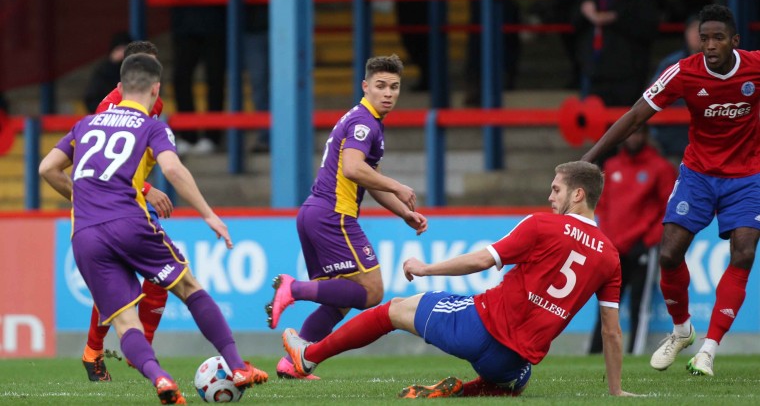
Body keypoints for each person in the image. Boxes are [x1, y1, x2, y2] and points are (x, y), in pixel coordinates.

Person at [280, 162, 635, 398]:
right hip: (512, 360)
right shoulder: (610, 257)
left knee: (395, 309)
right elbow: (611, 331)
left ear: (578, 195)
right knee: (519, 374)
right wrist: (616, 392)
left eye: (556, 190)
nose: (550, 196)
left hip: (477, 327)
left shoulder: (543, 224)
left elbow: (483, 259)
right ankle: (471, 389)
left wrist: (426, 268)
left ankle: (308, 356)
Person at [39, 53, 267, 404]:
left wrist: (83, 198)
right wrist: (208, 214)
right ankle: (237, 366)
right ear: (156, 88)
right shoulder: (151, 125)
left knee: (125, 323)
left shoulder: (85, 124)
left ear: (120, 86)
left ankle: (160, 378)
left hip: (85, 234)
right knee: (189, 287)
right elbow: (173, 170)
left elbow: (47, 169)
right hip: (129, 222)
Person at [581, 4, 760, 377]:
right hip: (698, 174)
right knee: (668, 255)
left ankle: (709, 349)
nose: (709, 45)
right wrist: (589, 159)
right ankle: (682, 330)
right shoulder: (683, 72)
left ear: (735, 41)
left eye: (718, 38)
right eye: (704, 37)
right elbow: (634, 117)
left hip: (747, 176)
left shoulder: (756, 67)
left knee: (743, 252)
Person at [265, 54, 428, 380]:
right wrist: (398, 185)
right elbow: (354, 169)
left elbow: (368, 177)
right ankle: (293, 288)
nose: (388, 93)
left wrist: (403, 212)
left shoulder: (365, 121)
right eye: (380, 86)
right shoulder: (364, 123)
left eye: (394, 87)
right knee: (371, 293)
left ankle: (294, 363)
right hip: (333, 216)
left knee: (339, 301)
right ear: (365, 86)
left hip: (314, 214)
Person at [80, 40, 173, 382]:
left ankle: (98, 352)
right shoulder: (111, 105)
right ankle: (126, 350)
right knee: (155, 277)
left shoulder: (155, 103)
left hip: (129, 199)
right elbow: (100, 159)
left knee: (129, 283)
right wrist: (148, 189)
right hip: (110, 201)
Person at [154, 0, 235, 156]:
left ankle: (212, 136)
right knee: (181, 78)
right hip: (185, 26)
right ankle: (187, 136)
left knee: (214, 79)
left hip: (214, 25)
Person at [588, 125, 676, 354]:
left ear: (646, 136)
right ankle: (595, 352)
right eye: (630, 133)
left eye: (638, 133)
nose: (634, 137)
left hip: (641, 247)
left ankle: (634, 352)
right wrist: (606, 239)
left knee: (639, 304)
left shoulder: (660, 168)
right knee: (607, 303)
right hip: (614, 247)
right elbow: (604, 207)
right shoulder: (611, 166)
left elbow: (668, 208)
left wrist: (649, 239)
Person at [573, 0, 659, 106]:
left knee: (628, 125)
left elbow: (649, 29)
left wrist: (615, 18)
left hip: (630, 75)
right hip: (597, 73)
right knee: (600, 128)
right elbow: (574, 24)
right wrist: (585, 12)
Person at [239, 0, 271, 153]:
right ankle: (265, 135)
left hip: (287, 31)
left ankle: (287, 133)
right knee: (259, 82)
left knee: (290, 80)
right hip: (255, 27)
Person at [648, 15, 700, 160]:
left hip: (710, 146)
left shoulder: (722, 66)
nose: (696, 34)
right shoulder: (671, 65)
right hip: (674, 144)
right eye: (692, 29)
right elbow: (649, 102)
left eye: (700, 30)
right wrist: (657, 137)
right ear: (685, 33)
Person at [83, 31, 132, 113]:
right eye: (119, 49)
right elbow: (91, 99)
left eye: (125, 49)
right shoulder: (103, 71)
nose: (122, 53)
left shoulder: (134, 70)